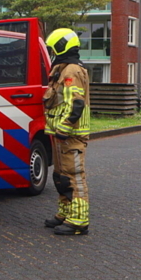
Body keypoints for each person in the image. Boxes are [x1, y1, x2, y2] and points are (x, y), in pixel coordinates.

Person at [42, 28, 91, 236]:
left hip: (71, 135)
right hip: (61, 135)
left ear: (61, 47)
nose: (52, 52)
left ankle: (79, 221)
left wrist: (64, 128)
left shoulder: (71, 71)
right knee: (61, 176)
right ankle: (65, 213)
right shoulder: (62, 69)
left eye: (53, 48)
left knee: (74, 176)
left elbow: (76, 104)